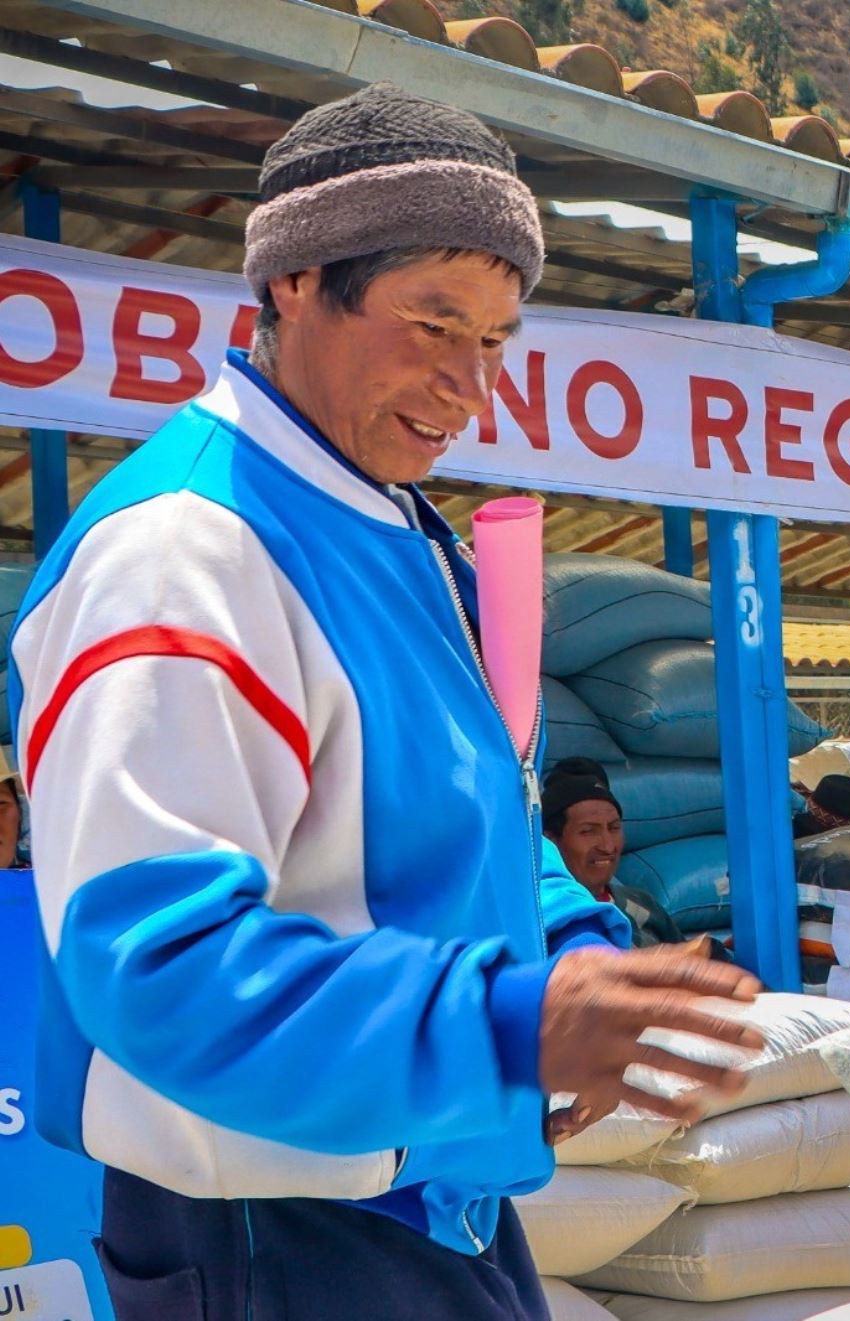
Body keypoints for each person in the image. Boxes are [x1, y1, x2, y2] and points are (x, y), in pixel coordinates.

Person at [9, 84, 766, 1321]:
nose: (470, 384)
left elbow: (471, 822)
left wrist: (570, 950)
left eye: (497, 340)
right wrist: (510, 1021)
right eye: (432, 323)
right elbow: (159, 965)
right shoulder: (190, 552)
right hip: (281, 1231)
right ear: (297, 282)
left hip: (429, 1188)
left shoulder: (397, 531)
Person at [542, 757, 625, 903]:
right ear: (551, 841)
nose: (608, 847)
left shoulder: (643, 907)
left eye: (614, 828)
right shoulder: (544, 919)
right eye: (588, 831)